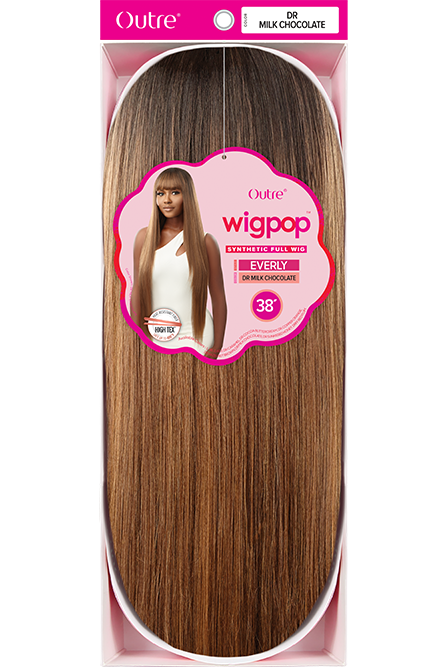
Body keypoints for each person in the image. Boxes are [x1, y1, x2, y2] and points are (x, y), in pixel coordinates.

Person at [130, 167, 227, 359]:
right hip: (156, 335)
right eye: (160, 193)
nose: (166, 200)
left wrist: (216, 348)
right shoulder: (144, 238)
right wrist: (134, 339)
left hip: (197, 337)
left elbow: (218, 298)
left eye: (174, 192)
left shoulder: (206, 242)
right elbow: (138, 290)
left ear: (187, 196)